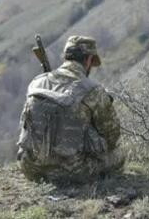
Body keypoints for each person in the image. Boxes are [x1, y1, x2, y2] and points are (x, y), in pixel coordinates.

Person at [17, 35, 124, 182]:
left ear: (66, 57)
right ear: (88, 60)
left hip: (30, 169)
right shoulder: (92, 90)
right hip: (73, 173)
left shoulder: (36, 83)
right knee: (118, 155)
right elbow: (112, 135)